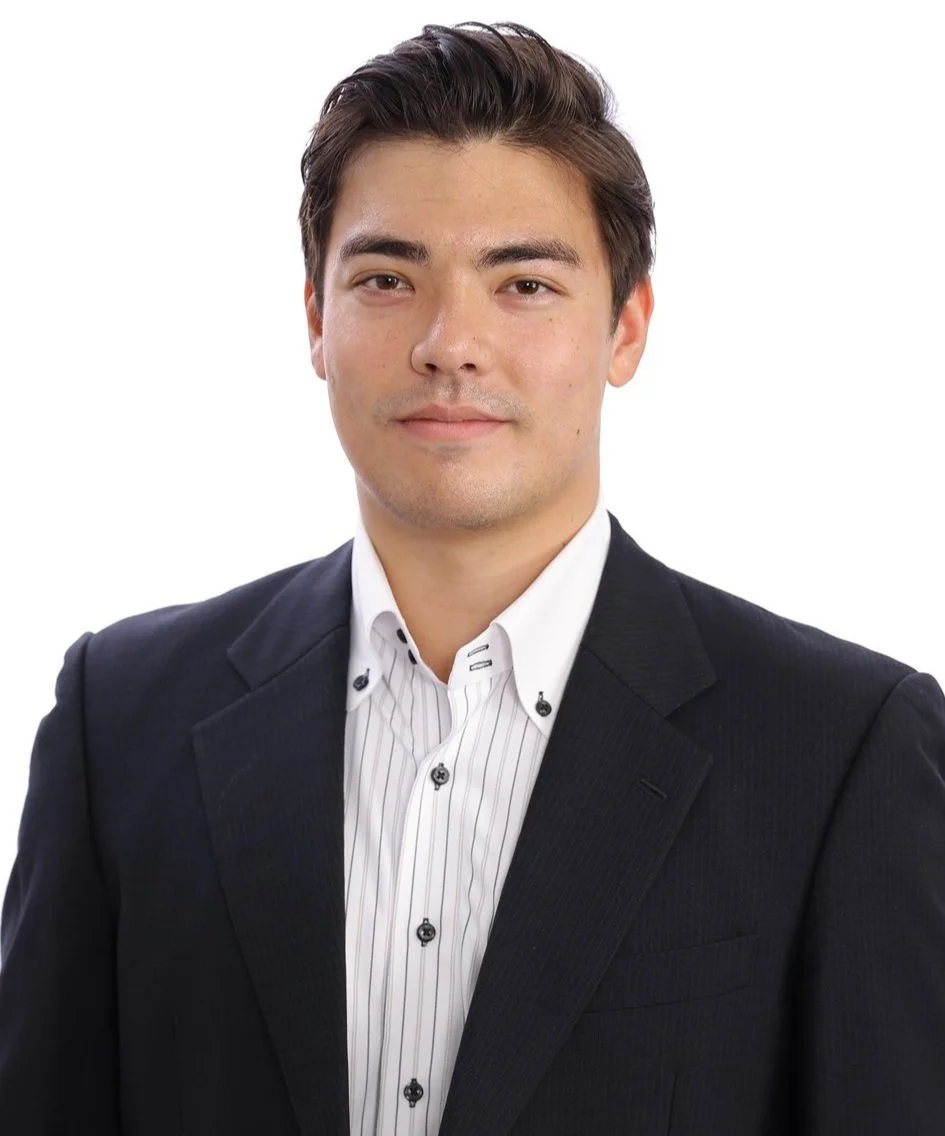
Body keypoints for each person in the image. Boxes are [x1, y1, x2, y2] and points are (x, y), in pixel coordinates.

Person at [1, 19, 943, 1136]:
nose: (451, 341)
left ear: (627, 328)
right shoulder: (125, 719)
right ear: (316, 317)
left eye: (525, 284)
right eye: (389, 277)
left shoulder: (840, 747)